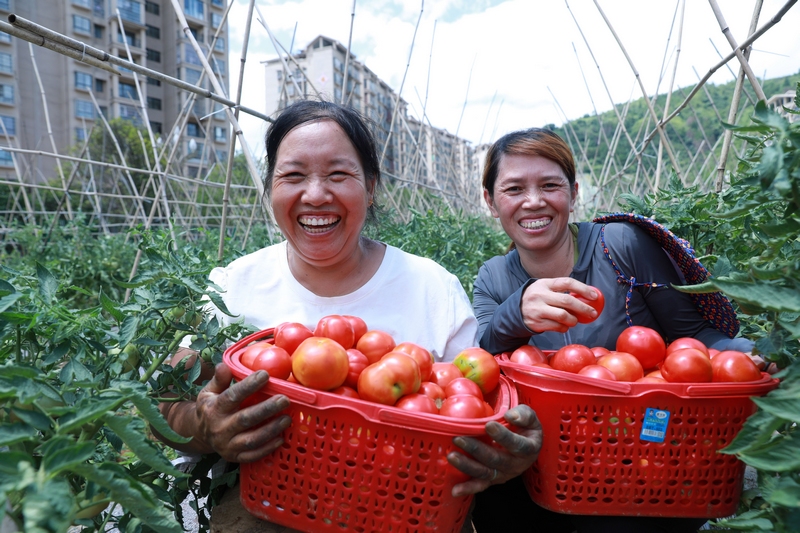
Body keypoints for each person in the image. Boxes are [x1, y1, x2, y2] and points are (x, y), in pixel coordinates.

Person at [155, 100, 543, 533]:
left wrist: (504, 452)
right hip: (268, 514)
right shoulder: (232, 288)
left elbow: (477, 405)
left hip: (408, 513)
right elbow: (164, 411)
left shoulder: (431, 287)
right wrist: (205, 428)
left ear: (371, 186)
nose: (316, 194)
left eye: (338, 175)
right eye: (293, 175)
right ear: (270, 188)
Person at [470, 127, 753, 533]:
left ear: (573, 192)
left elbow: (697, 336)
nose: (534, 201)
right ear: (491, 202)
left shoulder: (621, 245)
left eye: (550, 185)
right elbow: (481, 357)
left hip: (648, 453)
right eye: (514, 188)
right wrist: (515, 313)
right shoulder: (494, 277)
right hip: (550, 464)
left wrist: (743, 353)